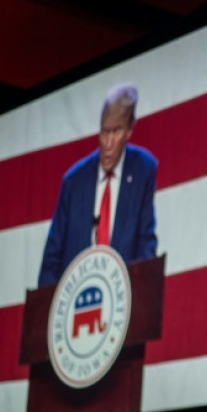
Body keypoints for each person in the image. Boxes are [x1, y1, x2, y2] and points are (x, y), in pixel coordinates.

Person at [38, 83, 158, 287]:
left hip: (121, 296)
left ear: (130, 130)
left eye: (116, 131)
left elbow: (145, 247)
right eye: (104, 132)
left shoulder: (143, 170)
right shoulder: (74, 182)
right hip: (76, 299)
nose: (108, 143)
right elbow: (52, 260)